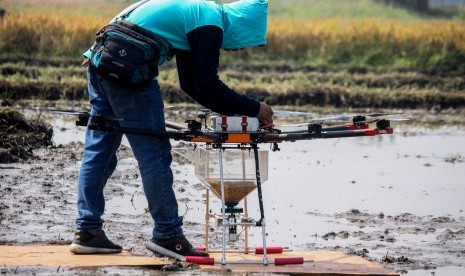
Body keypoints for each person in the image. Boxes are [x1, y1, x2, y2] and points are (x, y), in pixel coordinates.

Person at [70, 0, 273, 259]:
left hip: (103, 61)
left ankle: (87, 232)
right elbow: (206, 83)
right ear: (243, 26)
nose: (236, 48)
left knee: (100, 148)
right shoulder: (210, 20)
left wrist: (242, 112)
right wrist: (254, 108)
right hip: (128, 68)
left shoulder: (196, 12)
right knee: (154, 153)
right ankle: (167, 234)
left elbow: (192, 85)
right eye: (243, 43)